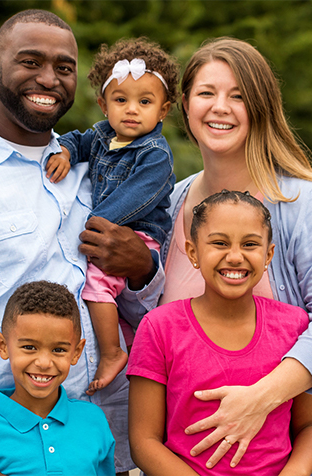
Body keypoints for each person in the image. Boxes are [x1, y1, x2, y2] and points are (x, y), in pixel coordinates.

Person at [0, 9, 163, 476]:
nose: (48, 79)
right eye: (30, 62)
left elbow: (143, 307)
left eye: (64, 68)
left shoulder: (99, 167)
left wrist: (144, 272)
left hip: (103, 443)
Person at [139, 37, 312, 468]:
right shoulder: (169, 203)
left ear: (261, 108)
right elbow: (153, 334)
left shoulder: (298, 204)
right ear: (184, 104)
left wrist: (260, 398)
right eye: (206, 93)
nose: (220, 107)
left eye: (238, 96)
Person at [128, 191, 312, 475]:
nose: (235, 257)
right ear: (193, 253)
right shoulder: (159, 327)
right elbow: (144, 441)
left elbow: (306, 426)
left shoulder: (293, 325)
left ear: (268, 255)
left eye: (250, 244)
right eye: (219, 243)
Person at [45, 38, 179, 395]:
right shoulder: (103, 135)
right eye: (121, 100)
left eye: (145, 102)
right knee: (112, 300)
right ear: (104, 105)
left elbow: (135, 198)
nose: (131, 110)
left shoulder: (155, 155)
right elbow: (79, 139)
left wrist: (91, 223)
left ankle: (112, 352)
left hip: (136, 233)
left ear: (163, 110)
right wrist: (64, 151)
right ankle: (128, 341)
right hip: (109, 230)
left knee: (97, 286)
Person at [0, 281, 116, 476]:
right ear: (3, 346)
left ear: (76, 352)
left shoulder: (93, 420)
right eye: (29, 347)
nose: (43, 363)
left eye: (58, 350)